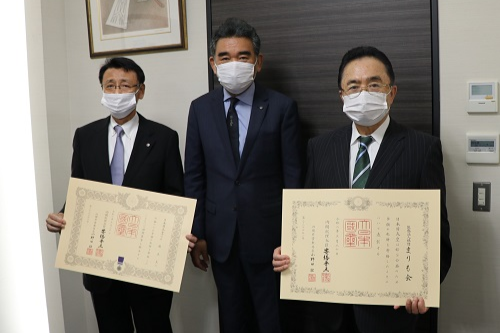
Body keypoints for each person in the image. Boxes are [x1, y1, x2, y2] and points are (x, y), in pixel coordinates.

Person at [272, 46, 452, 333]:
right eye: (353, 86)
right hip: (329, 313)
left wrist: (425, 287)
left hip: (390, 315)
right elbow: (308, 224)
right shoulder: (319, 148)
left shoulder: (422, 148)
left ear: (391, 93)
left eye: (374, 84)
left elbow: (438, 237)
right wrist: (289, 252)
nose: (363, 93)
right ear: (342, 96)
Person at [45, 57, 196, 333]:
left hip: (148, 265)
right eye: (110, 86)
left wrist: (181, 232)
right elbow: (79, 191)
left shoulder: (163, 138)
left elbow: (177, 196)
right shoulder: (85, 136)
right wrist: (61, 216)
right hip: (101, 266)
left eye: (124, 86)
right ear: (102, 90)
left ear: (140, 91)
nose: (116, 93)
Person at [184, 18, 303, 333]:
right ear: (213, 63)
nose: (233, 64)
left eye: (243, 56)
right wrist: (198, 234)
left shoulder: (282, 108)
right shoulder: (199, 109)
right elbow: (194, 176)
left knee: (273, 323)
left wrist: (294, 238)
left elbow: (294, 178)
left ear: (258, 62)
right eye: (224, 57)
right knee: (232, 323)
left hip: (271, 243)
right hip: (220, 241)